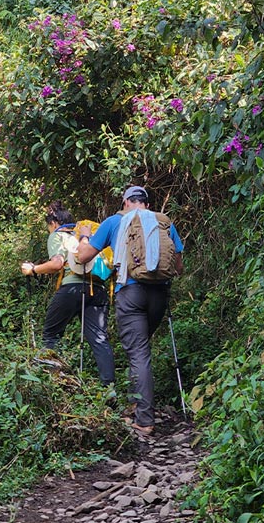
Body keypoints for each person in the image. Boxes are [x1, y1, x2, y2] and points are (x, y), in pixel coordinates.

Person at [76, 186, 184, 434]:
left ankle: (144, 420)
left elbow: (83, 257)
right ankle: (136, 404)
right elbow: (179, 266)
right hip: (159, 293)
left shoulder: (115, 221)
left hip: (131, 293)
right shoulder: (163, 222)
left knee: (138, 354)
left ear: (125, 202)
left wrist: (83, 236)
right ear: (146, 203)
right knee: (141, 350)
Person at [21, 200, 115, 387]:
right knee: (99, 339)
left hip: (72, 288)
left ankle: (50, 383)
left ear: (54, 223)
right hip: (98, 290)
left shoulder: (59, 235)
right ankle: (109, 388)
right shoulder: (86, 235)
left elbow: (56, 264)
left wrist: (33, 269)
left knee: (50, 335)